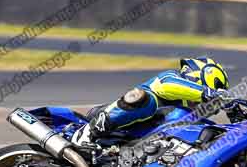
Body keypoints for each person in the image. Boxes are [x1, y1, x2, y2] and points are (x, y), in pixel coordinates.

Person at [72, 56, 230, 146]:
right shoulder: (171, 78)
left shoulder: (189, 116)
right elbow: (166, 86)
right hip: (114, 124)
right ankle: (88, 132)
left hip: (135, 147)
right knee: (147, 100)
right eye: (218, 88)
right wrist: (207, 93)